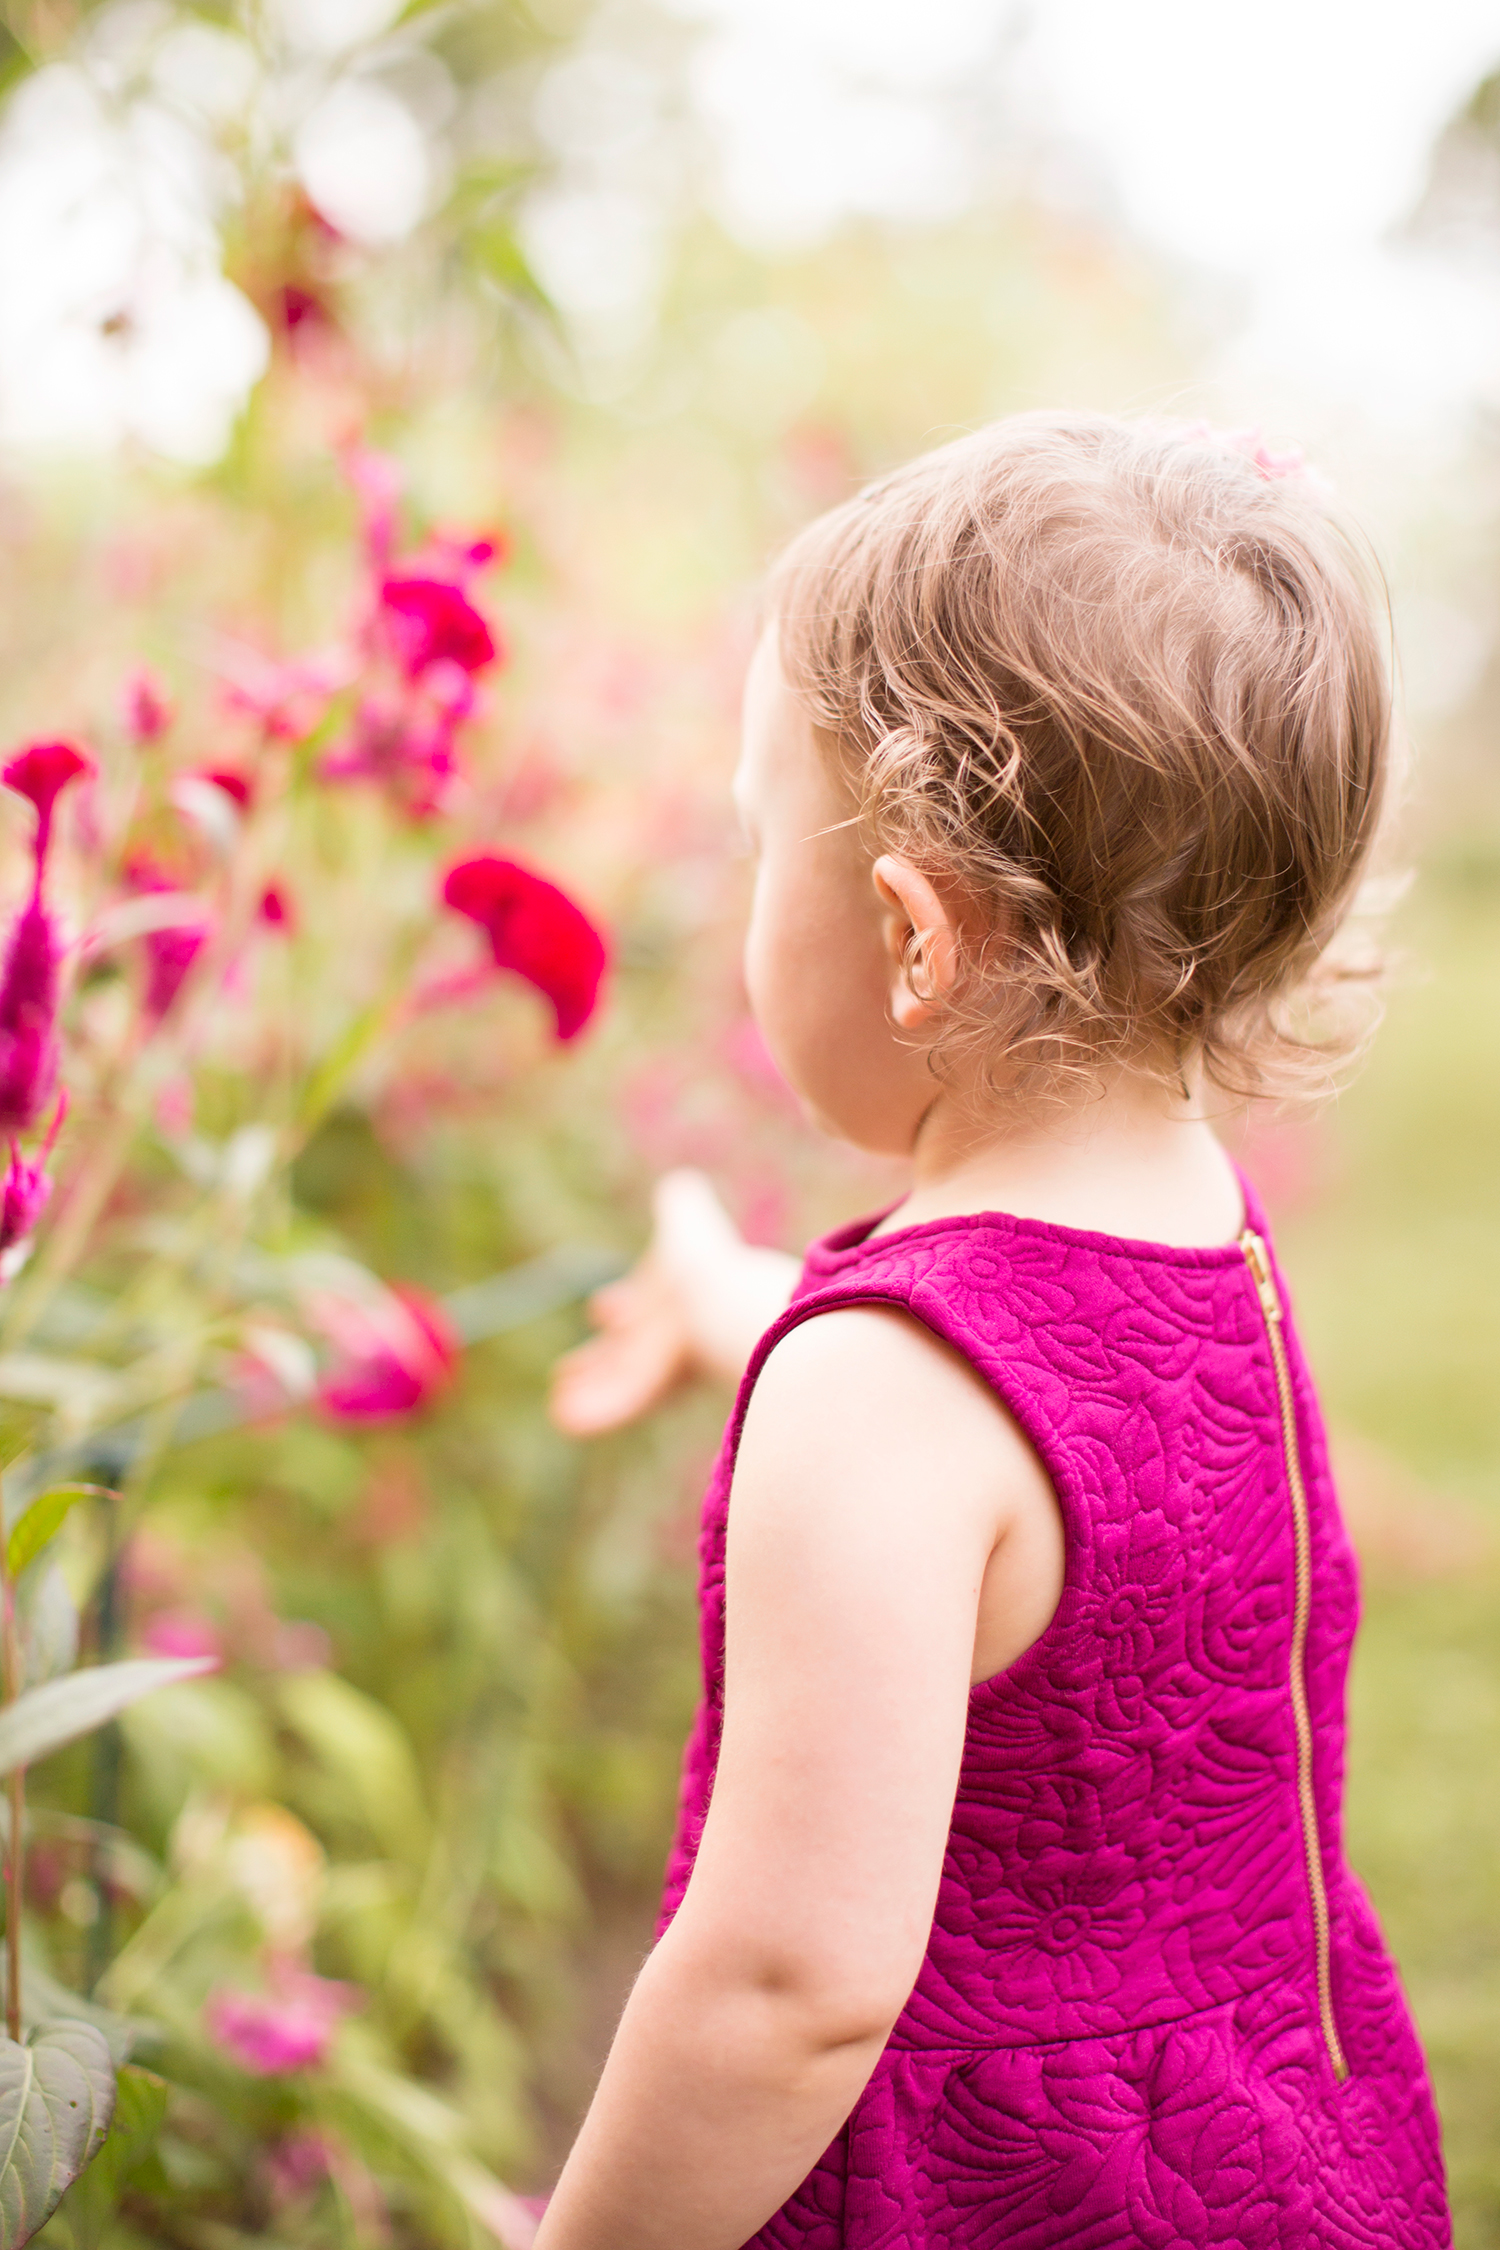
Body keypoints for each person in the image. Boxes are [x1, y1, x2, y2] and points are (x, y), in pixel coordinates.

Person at [534, 413, 1450, 2248]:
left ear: (910, 937)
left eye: (755, 843)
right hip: (1278, 2131)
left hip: (990, 2194)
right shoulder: (1208, 1233)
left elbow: (789, 1986)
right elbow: (1049, 1440)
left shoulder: (878, 1397)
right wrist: (749, 1306)